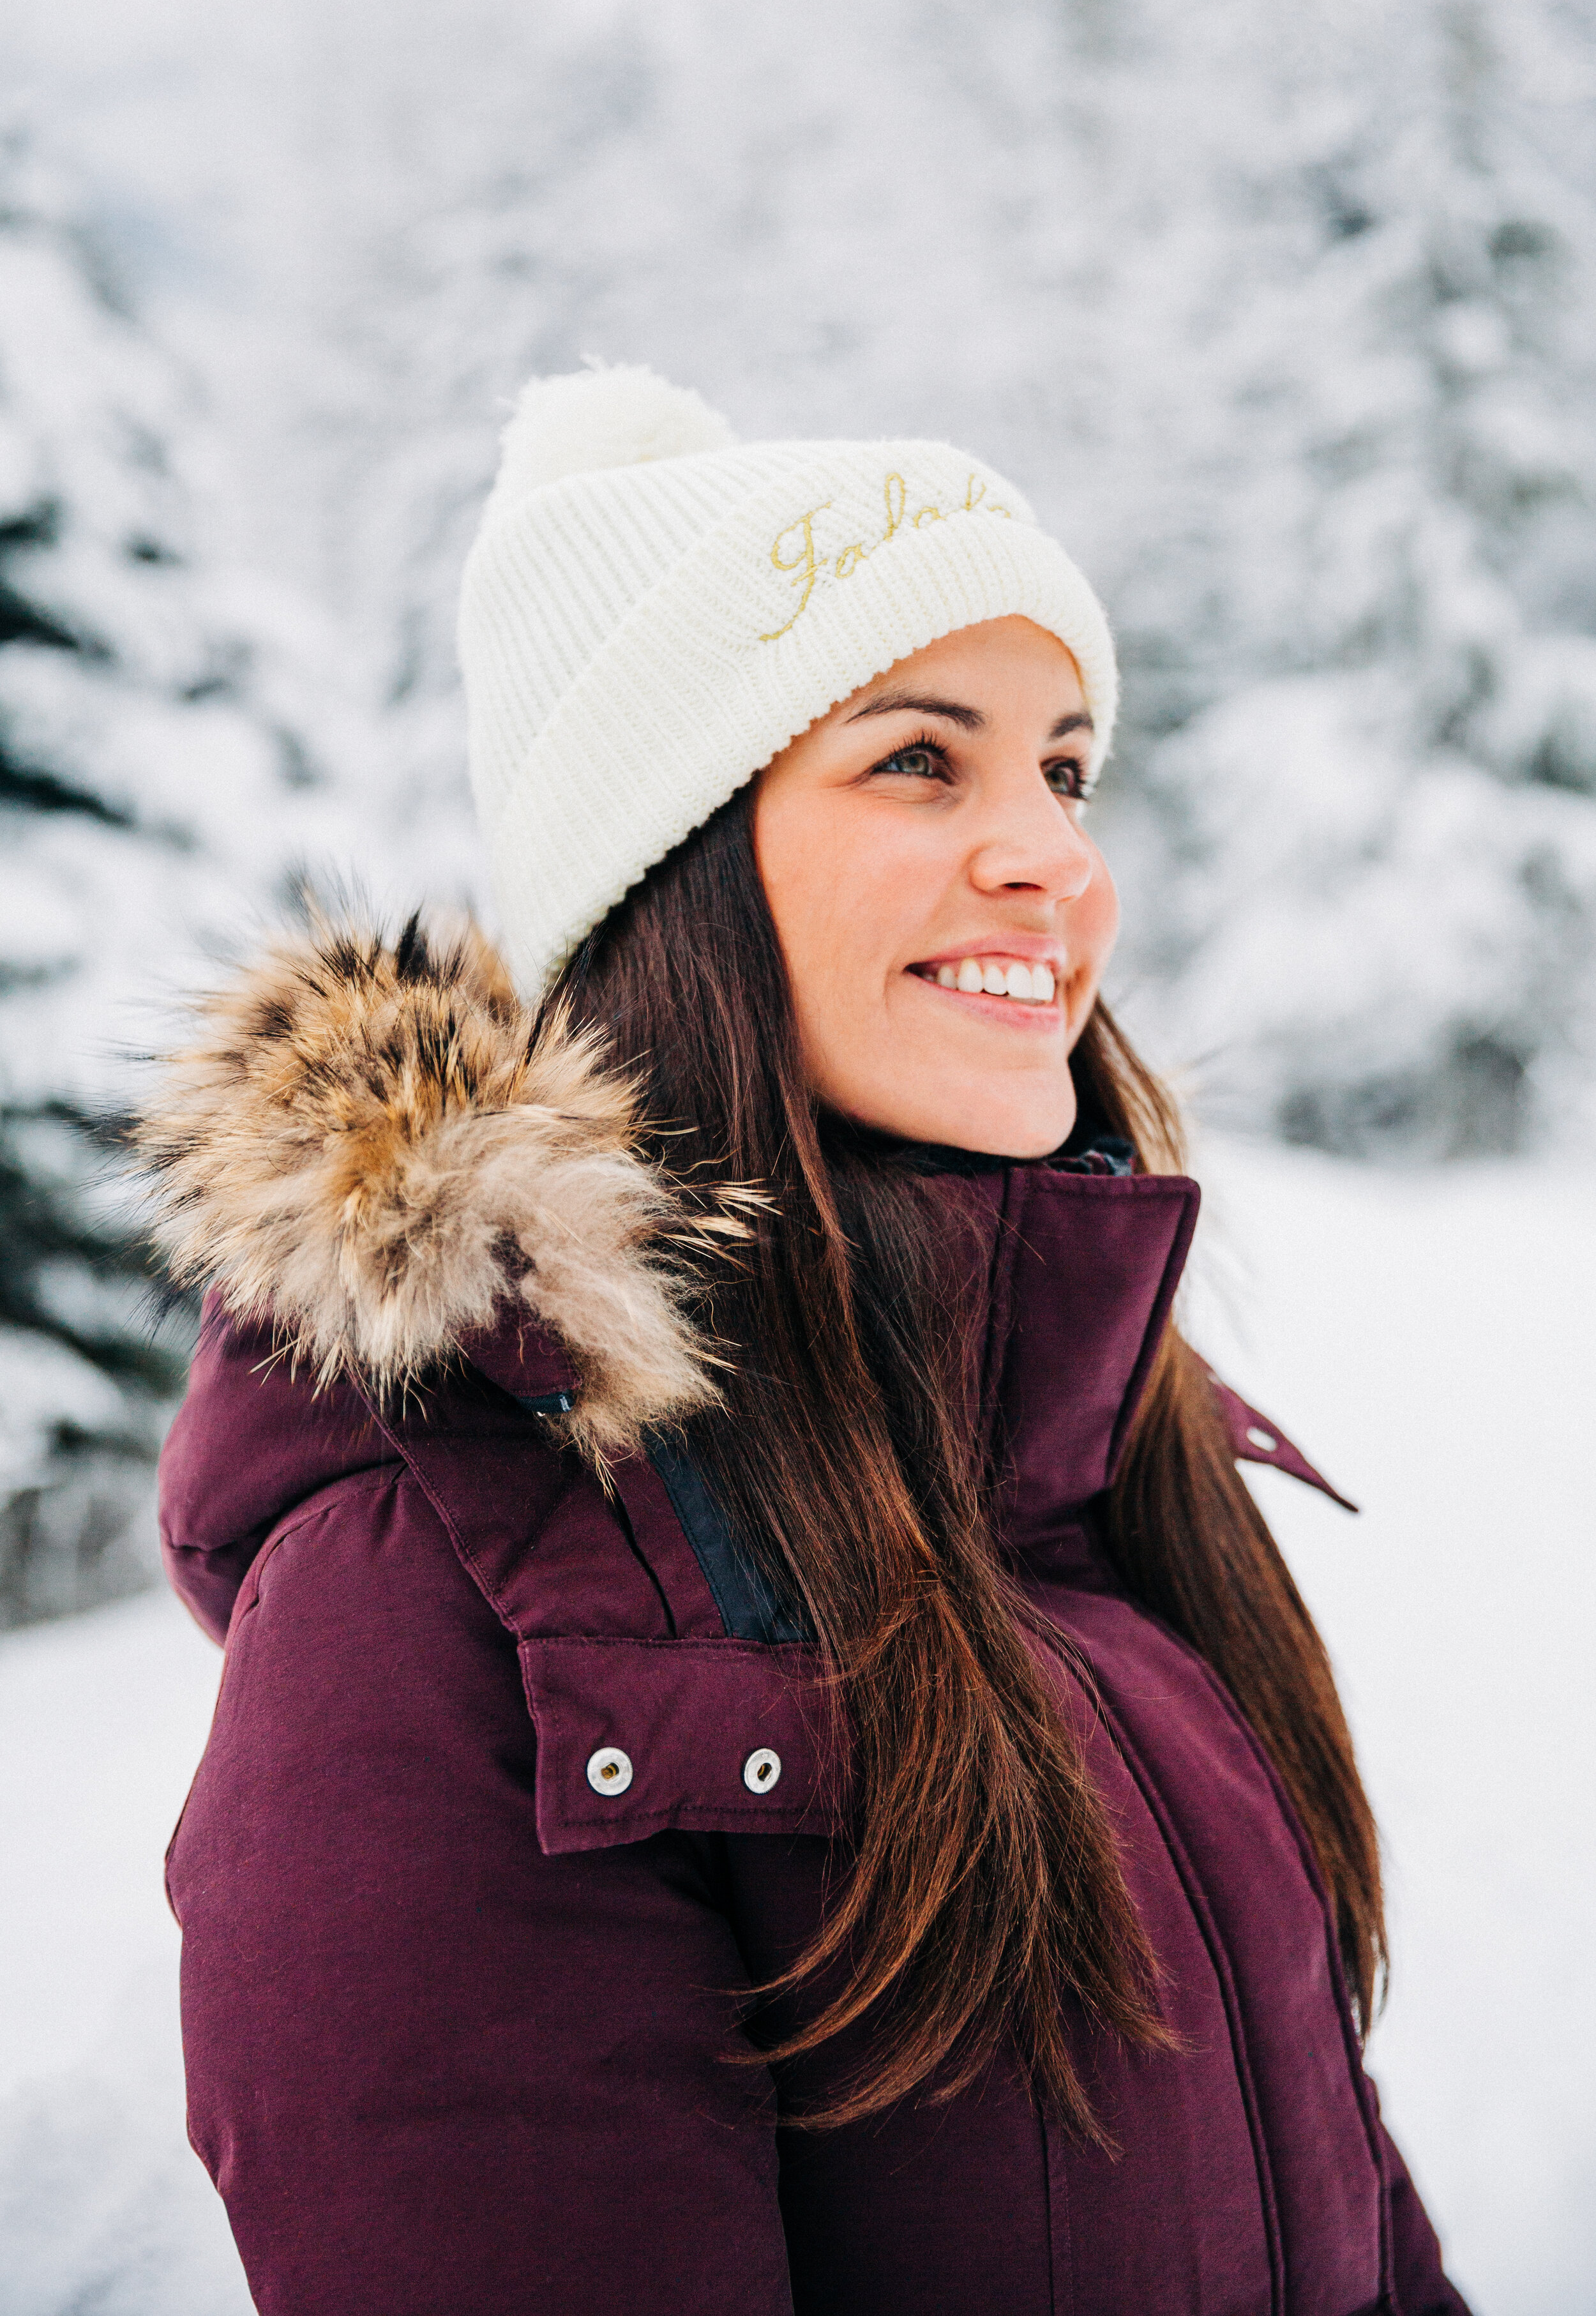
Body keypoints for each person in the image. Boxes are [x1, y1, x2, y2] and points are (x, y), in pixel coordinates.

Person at [139, 367, 1470, 2315]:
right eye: (920, 762)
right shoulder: (440, 1589)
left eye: (1065, 769)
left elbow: (1340, 2206)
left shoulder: (1098, 1455)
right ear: (670, 868)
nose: (1055, 858)